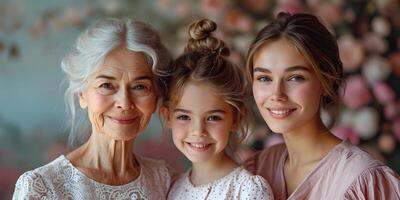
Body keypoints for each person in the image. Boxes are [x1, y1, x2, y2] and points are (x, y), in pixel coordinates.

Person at [244, 12, 400, 199]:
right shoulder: (257, 167)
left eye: (295, 77)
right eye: (264, 78)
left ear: (326, 81)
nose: (277, 94)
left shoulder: (360, 179)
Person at [13, 18, 173, 199]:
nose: (125, 103)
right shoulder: (41, 187)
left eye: (140, 87)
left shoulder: (164, 179)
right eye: (106, 85)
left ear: (156, 96)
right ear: (82, 94)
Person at [158, 18, 274, 200]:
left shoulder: (248, 191)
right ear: (167, 116)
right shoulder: (171, 188)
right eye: (184, 117)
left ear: (235, 118)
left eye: (213, 118)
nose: (198, 131)